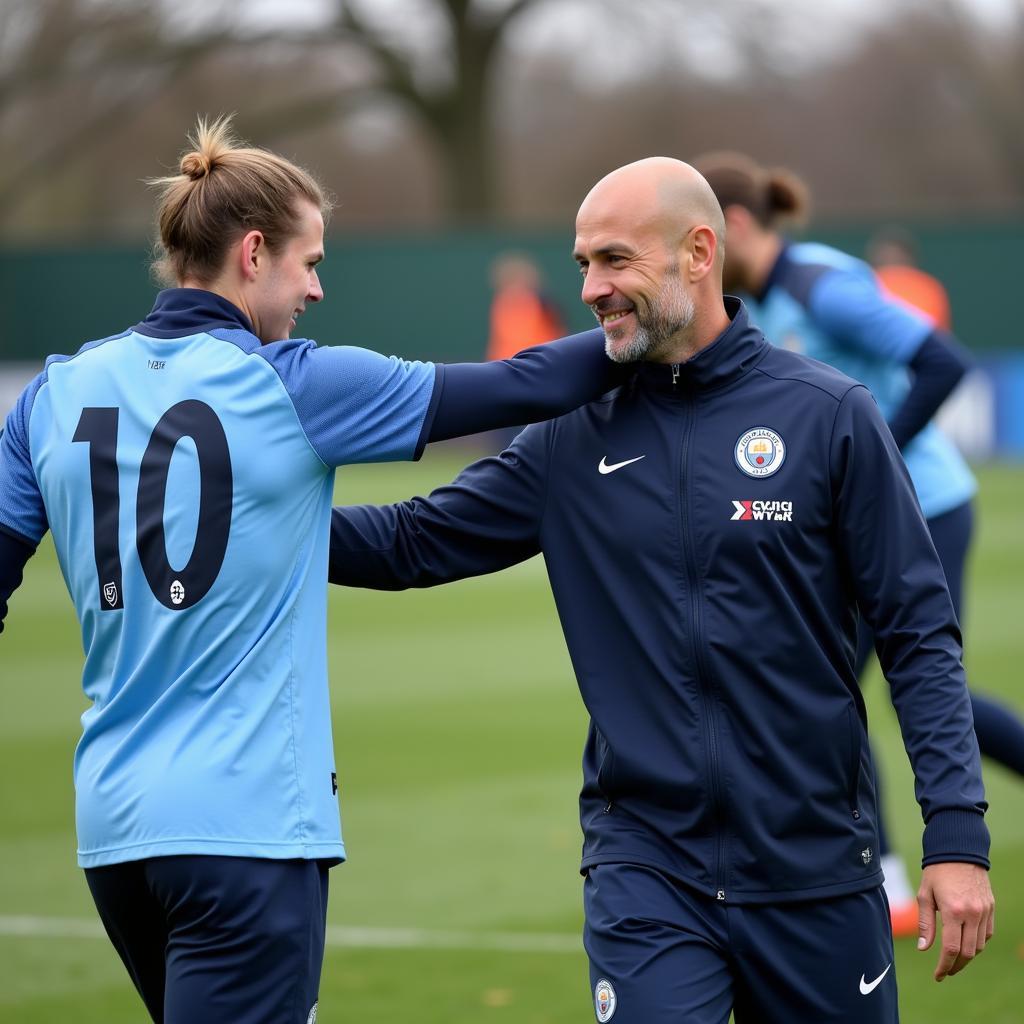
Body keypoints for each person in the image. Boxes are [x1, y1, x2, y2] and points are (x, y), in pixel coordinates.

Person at [327, 157, 993, 1023]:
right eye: (582, 266)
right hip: (647, 867)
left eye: (614, 260)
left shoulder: (829, 414)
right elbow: (414, 539)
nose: (594, 288)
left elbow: (916, 633)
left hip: (817, 864)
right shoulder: (569, 438)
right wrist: (251, 522)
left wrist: (956, 836)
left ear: (700, 252)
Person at [0, 116, 627, 1024]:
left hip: (113, 834)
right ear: (253, 254)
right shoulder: (291, 383)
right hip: (245, 831)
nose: (317, 288)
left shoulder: (51, 396)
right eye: (309, 262)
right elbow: (522, 384)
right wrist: (654, 320)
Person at [692, 150, 1024, 937]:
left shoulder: (822, 287)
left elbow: (941, 361)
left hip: (926, 508)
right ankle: (887, 881)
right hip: (856, 523)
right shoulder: (763, 299)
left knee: (910, 684)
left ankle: (887, 879)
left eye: (701, 232)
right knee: (838, 684)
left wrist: (881, 455)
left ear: (735, 225)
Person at [867, 226, 952, 330]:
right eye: (886, 256)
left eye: (897, 255)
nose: (892, 258)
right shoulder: (866, 283)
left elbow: (935, 330)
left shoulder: (928, 287)